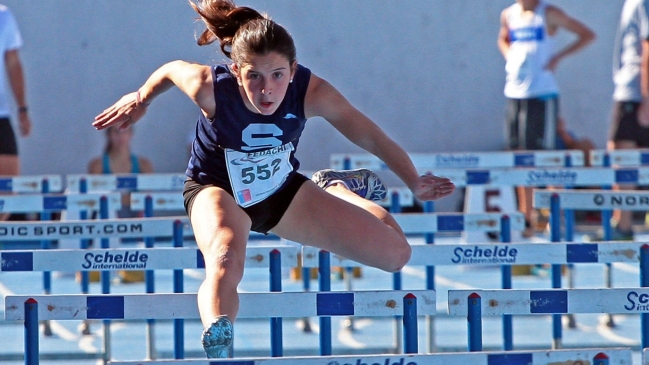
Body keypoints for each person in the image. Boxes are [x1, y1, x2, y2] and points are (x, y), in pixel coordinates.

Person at [93, 0, 455, 358]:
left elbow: (371, 135)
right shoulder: (210, 86)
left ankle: (336, 188)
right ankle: (217, 332)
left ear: (293, 70)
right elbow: (172, 70)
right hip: (216, 187)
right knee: (225, 255)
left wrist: (413, 181)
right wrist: (141, 98)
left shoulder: (311, 92)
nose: (267, 91)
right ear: (237, 71)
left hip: (280, 192)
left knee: (396, 255)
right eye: (254, 77)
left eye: (277, 76)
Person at [497, 0, 595, 237]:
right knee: (520, 155)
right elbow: (503, 38)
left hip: (542, 93)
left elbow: (586, 35)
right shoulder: (509, 14)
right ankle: (526, 217)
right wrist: (511, 56)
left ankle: (555, 216)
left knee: (547, 155)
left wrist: (557, 58)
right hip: (515, 92)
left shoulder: (549, 13)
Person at [605, 0, 649, 241]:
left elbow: (648, 46)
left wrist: (646, 97)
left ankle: (622, 225)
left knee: (622, 156)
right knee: (624, 156)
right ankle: (622, 223)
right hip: (631, 89)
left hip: (635, 92)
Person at [0, 5, 31, 221]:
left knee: (8, 191)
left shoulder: (4, 16)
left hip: (1, 115)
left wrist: (22, 108)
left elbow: (13, 64)